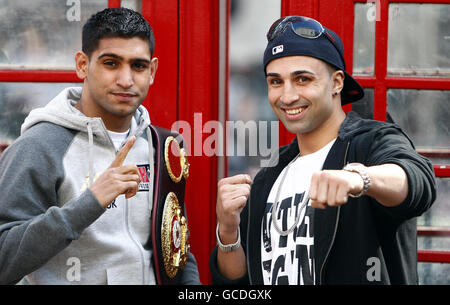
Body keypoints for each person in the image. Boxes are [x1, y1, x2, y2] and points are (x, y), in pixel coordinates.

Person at [210, 16, 436, 285]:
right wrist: (227, 230)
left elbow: (418, 181)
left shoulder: (371, 143)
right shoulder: (269, 175)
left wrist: (360, 179)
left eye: (302, 79)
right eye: (276, 82)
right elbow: (236, 281)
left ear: (337, 82)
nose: (287, 96)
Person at [0, 8, 200, 285]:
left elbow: (176, 251)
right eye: (111, 63)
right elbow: (4, 258)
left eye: (138, 66)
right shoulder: (38, 146)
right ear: (82, 64)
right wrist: (90, 202)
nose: (126, 80)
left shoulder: (164, 146)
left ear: (152, 71)